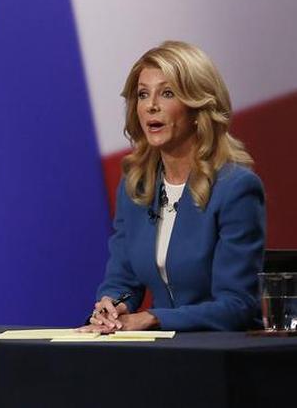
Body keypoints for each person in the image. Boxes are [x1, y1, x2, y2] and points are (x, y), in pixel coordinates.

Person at [85, 41, 265, 332]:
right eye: (143, 94)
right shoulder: (136, 187)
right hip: (163, 354)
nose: (151, 106)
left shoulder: (236, 189)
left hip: (223, 356)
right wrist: (113, 303)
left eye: (167, 93)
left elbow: (237, 305)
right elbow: (124, 279)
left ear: (197, 107)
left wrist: (154, 318)